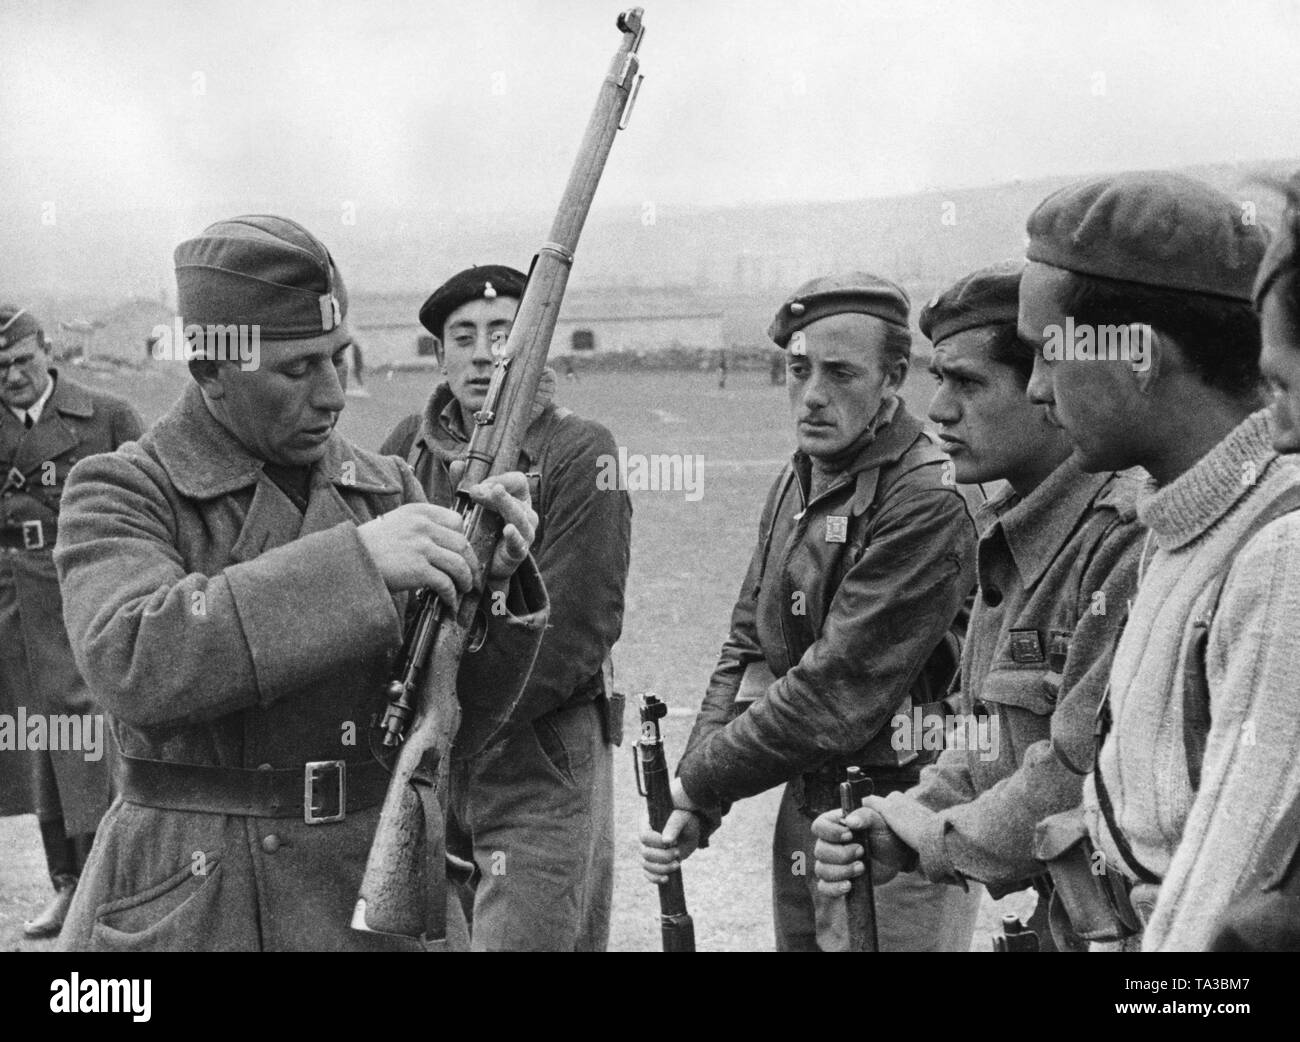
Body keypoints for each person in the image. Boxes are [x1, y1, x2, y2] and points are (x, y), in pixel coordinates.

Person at [51, 217, 548, 952]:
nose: (334, 395)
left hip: (365, 898)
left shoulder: (388, 488)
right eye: (297, 369)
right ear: (211, 372)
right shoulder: (122, 490)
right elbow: (133, 659)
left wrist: (492, 592)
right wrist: (359, 566)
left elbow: (455, 727)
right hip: (197, 905)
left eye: (339, 359)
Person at [640, 272, 983, 951]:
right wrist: (697, 794)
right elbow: (748, 650)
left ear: (893, 378)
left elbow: (836, 692)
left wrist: (698, 780)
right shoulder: (803, 474)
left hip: (899, 822)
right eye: (798, 370)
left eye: (841, 373)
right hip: (808, 805)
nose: (813, 395)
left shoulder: (927, 496)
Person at [809, 263, 1144, 951]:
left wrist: (931, 836)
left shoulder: (1120, 537)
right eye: (938, 380)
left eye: (966, 382)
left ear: (1046, 389)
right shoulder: (1013, 532)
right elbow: (989, 740)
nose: (938, 411)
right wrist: (902, 817)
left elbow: (1075, 774)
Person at [1017, 171, 1300, 950]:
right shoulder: (1184, 518)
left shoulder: (1278, 553)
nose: (1036, 390)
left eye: (1046, 353)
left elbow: (1227, 891)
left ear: (1136, 354)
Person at [380, 265, 631, 951]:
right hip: (426, 749)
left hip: (539, 750)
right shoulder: (404, 446)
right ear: (440, 356)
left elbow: (577, 628)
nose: (486, 352)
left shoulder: (581, 451)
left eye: (504, 334)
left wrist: (460, 715)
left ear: (536, 347)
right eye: (464, 336)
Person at [0, 306, 143, 939]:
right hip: (12, 599)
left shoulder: (105, 416)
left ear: (48, 351)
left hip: (84, 587)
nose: (12, 377)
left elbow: (150, 498)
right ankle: (67, 880)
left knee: (96, 729)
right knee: (37, 735)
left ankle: (113, 878)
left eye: (22, 361)